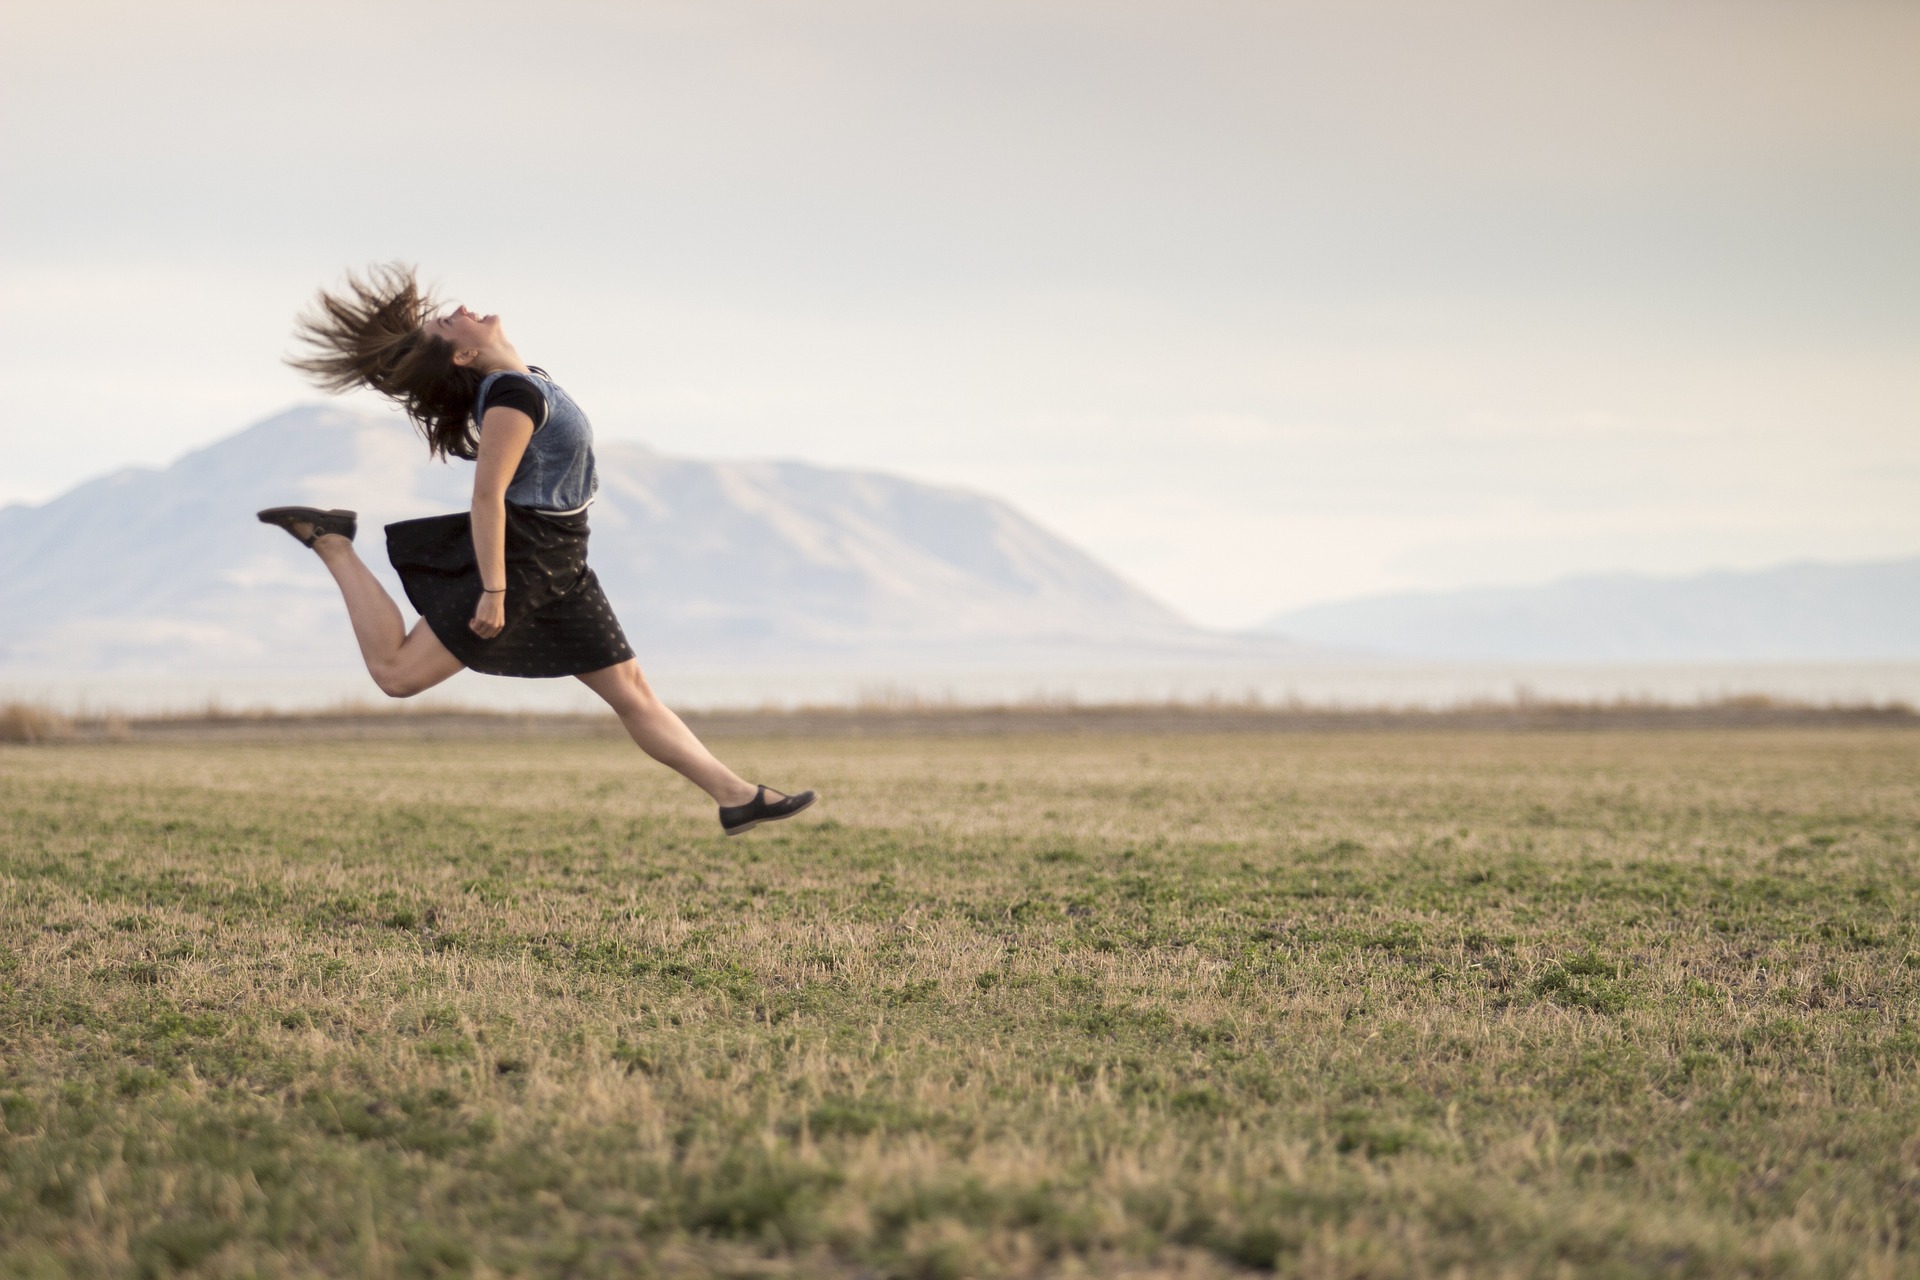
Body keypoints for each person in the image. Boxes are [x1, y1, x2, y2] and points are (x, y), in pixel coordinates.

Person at [258, 264, 814, 836]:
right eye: (450, 324)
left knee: (631, 690)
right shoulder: (513, 396)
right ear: (462, 357)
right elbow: (487, 497)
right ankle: (333, 544)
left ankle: (738, 798)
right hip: (526, 558)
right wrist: (494, 591)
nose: (462, 311)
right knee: (398, 675)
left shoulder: (527, 381)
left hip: (561, 556)